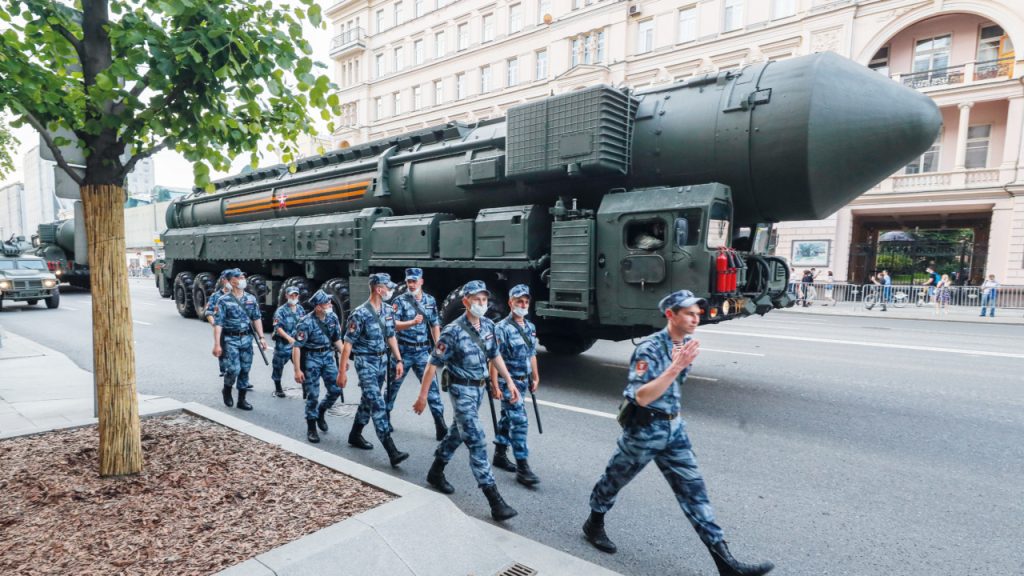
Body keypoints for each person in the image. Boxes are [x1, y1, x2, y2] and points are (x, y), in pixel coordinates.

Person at [582, 289, 774, 576]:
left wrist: (679, 364)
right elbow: (642, 396)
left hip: (674, 430)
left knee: (695, 492)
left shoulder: (685, 346)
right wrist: (676, 367)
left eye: (698, 314)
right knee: (614, 480)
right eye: (689, 313)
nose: (696, 318)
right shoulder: (649, 349)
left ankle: (726, 563)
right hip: (644, 430)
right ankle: (594, 521)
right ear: (671, 314)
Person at [412, 280, 521, 522]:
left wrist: (508, 382)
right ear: (466, 302)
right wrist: (422, 397)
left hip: (479, 390)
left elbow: (495, 355)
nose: (481, 304)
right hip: (461, 391)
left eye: (484, 300)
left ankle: (435, 471)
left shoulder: (489, 326)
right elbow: (432, 365)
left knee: (457, 433)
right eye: (476, 300)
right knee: (477, 440)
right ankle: (495, 500)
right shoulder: (452, 332)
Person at [339, 273, 410, 467]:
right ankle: (392, 451)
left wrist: (399, 359)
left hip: (382, 362)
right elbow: (348, 344)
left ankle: (355, 435)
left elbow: (391, 336)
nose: (391, 291)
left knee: (368, 402)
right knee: (378, 404)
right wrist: (342, 371)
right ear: (379, 289)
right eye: (389, 287)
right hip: (366, 363)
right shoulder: (360, 313)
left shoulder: (387, 310)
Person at [489, 284, 541, 487]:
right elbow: (495, 357)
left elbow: (532, 354)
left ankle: (500, 453)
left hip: (523, 381)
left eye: (526, 301)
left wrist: (535, 376)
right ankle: (523, 467)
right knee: (520, 422)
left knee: (507, 417)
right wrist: (495, 384)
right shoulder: (501, 328)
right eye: (519, 301)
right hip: (507, 382)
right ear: (511, 302)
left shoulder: (530, 327)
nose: (523, 304)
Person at [388, 267, 446, 440]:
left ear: (421, 281)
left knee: (432, 389)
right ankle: (385, 418)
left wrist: (438, 347)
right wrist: (411, 323)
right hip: (403, 351)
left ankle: (440, 423)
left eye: (414, 281)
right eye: (409, 282)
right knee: (392, 388)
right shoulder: (399, 301)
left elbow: (434, 324)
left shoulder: (429, 301)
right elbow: (393, 325)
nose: (411, 285)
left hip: (422, 351)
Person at [292, 290, 344, 444]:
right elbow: (297, 347)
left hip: (328, 357)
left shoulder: (333, 317)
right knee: (313, 395)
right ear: (318, 306)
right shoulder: (305, 322)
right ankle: (312, 426)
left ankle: (321, 411)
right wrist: (297, 370)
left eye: (329, 302)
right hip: (311, 359)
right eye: (326, 303)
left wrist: (343, 358)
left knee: (336, 389)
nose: (330, 305)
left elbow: (336, 338)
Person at [212, 269, 266, 411]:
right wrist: (217, 344)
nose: (242, 278)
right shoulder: (223, 300)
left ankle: (242, 400)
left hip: (247, 338)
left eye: (243, 276)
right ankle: (227, 389)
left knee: (245, 370)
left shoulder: (251, 299)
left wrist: (261, 337)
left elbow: (256, 318)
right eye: (239, 277)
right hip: (231, 339)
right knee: (234, 369)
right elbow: (218, 324)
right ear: (231, 281)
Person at [271, 286, 305, 398]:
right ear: (286, 296)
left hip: (297, 345)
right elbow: (278, 327)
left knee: (302, 366)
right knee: (278, 366)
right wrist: (288, 338)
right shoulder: (281, 311)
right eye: (291, 295)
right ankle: (278, 387)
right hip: (284, 344)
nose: (293, 297)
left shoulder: (300, 309)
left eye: (295, 295)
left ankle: (305, 388)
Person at [205, 271, 232, 377]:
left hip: (236, 329)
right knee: (224, 351)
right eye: (227, 279)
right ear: (223, 280)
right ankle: (225, 371)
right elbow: (208, 312)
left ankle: (243, 378)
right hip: (222, 329)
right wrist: (215, 324)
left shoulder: (239, 295)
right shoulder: (216, 296)